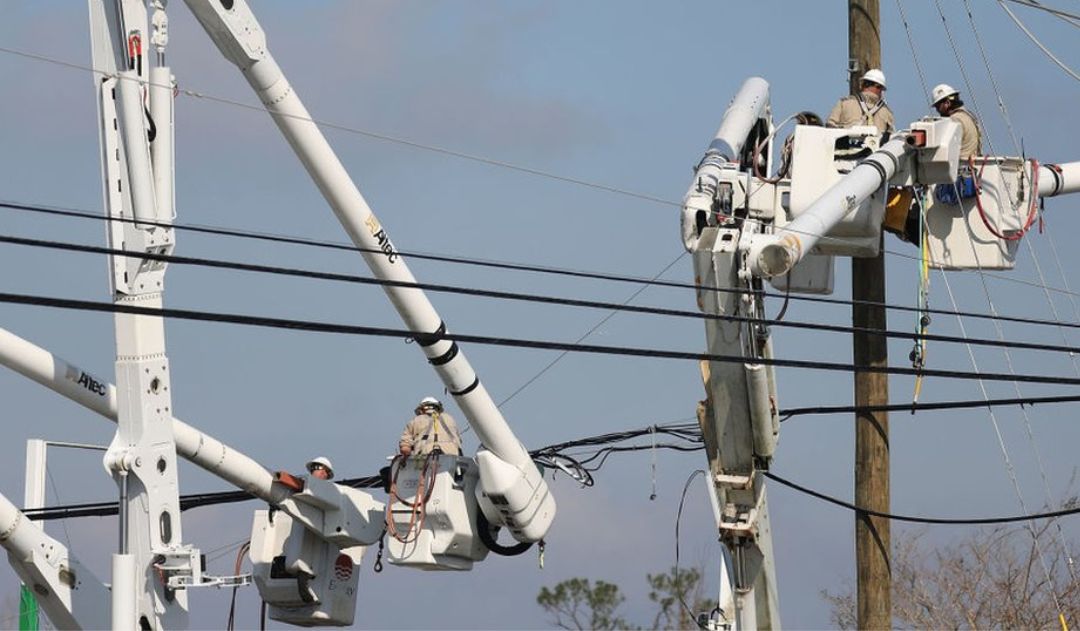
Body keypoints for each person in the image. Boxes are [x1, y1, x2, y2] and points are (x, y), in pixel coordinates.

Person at [826, 68, 894, 135]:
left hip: (845, 145)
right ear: (878, 87)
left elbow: (830, 126)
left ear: (863, 84)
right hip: (876, 145)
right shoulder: (887, 112)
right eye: (881, 89)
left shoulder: (844, 103)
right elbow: (892, 139)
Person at [931, 83, 982, 161]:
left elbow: (944, 147)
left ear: (947, 103)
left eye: (938, 106)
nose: (937, 110)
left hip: (959, 166)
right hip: (970, 162)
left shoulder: (954, 120)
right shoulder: (968, 116)